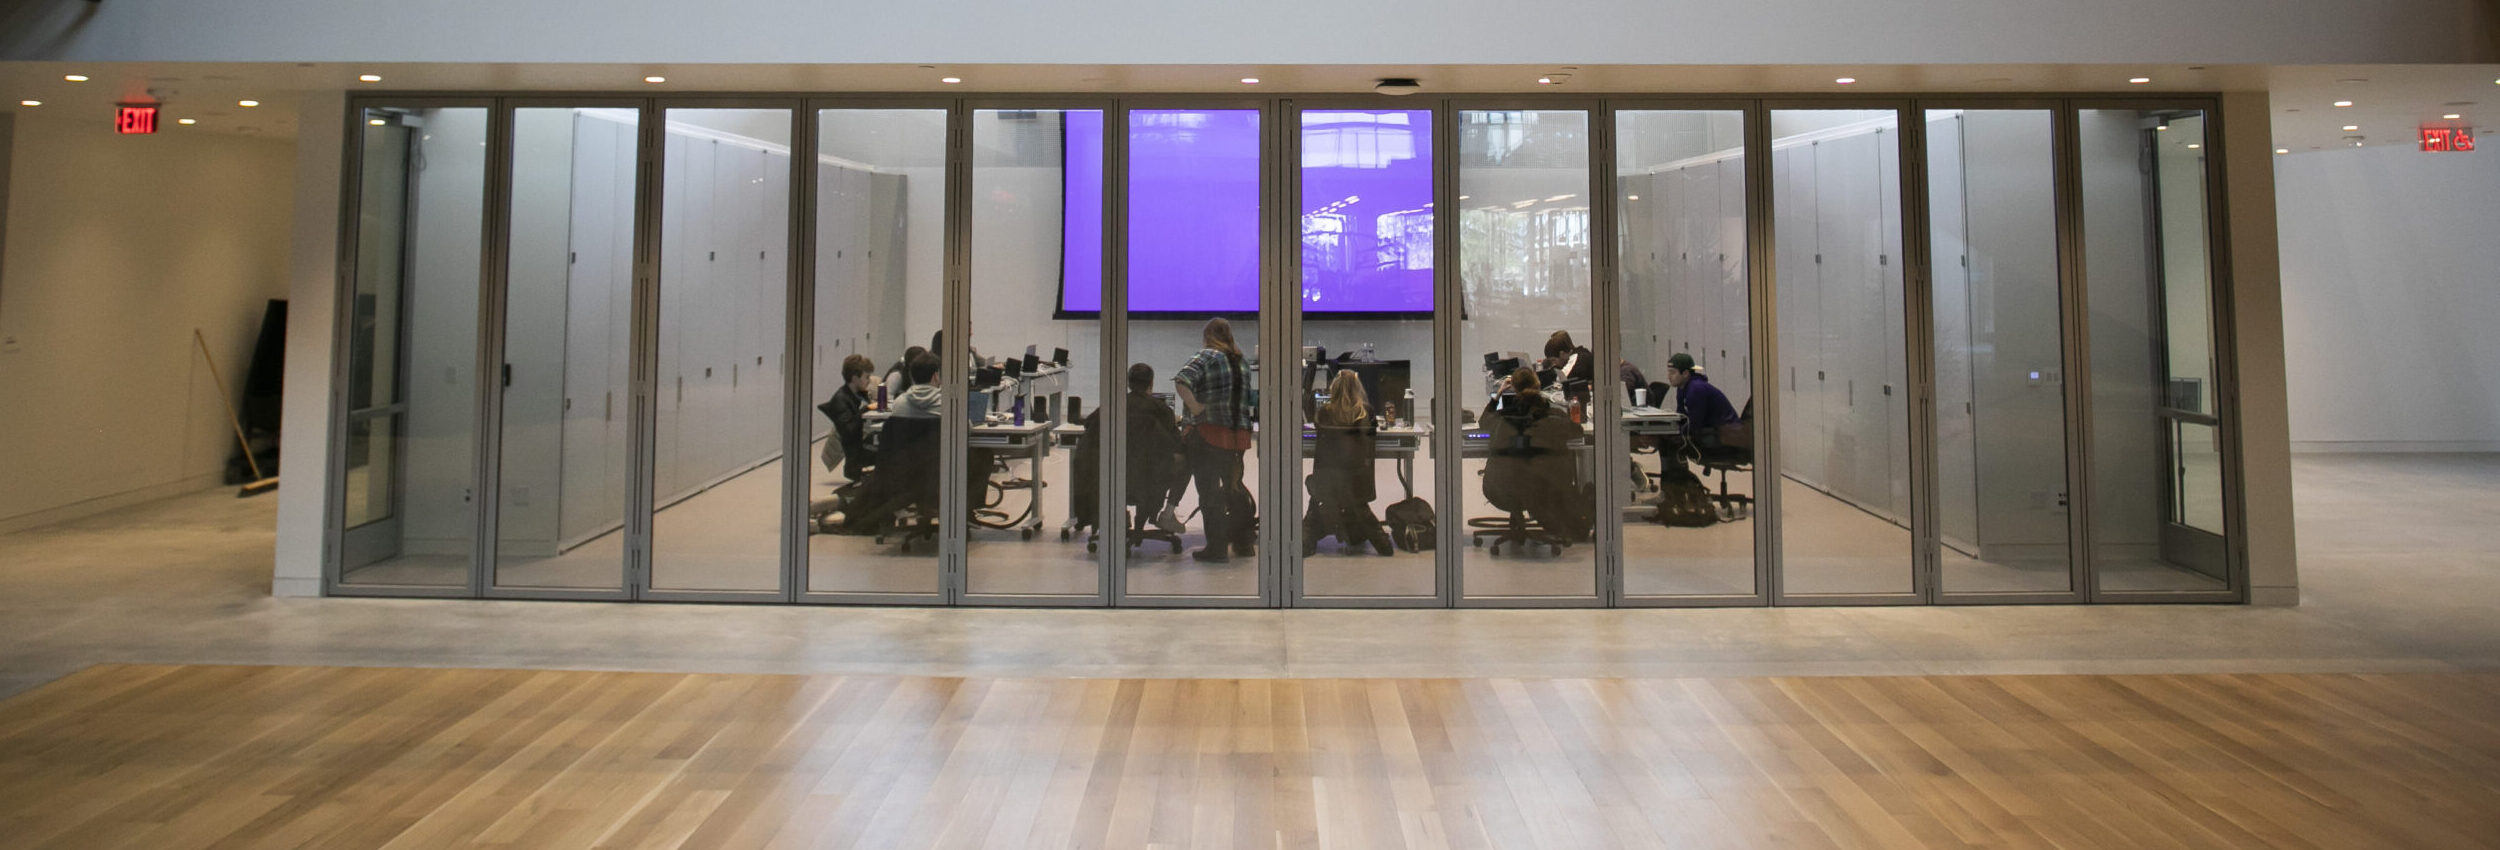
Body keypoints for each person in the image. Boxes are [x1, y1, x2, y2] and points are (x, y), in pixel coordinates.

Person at [1174, 317, 1256, 563]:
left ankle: (1217, 549)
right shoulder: (1241, 361)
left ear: (1208, 335)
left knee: (1209, 492)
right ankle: (1244, 543)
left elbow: (1182, 379)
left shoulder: (1207, 356)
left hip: (1210, 433)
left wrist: (1197, 408)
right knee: (1234, 488)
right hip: (1237, 435)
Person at [1306, 369, 1395, 556]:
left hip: (1327, 479)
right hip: (1358, 480)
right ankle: (1379, 541)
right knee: (1356, 500)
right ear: (1358, 389)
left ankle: (1307, 538)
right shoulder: (1367, 412)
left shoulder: (1324, 413)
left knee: (1315, 488)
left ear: (1334, 388)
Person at [819, 354, 879, 480]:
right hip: (857, 454)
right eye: (866, 377)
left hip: (863, 442)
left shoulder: (858, 394)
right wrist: (865, 410)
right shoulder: (841, 400)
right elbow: (849, 431)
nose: (869, 380)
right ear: (855, 378)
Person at [1541, 330, 1596, 402]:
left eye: (1554, 360)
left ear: (1562, 353)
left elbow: (1562, 378)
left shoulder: (1578, 360)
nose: (1554, 364)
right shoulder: (1578, 354)